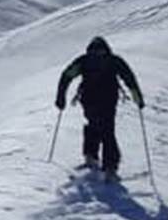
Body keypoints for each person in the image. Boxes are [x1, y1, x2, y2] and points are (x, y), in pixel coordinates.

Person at [55, 36, 144, 181]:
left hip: (88, 99)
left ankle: (91, 156)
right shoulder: (114, 61)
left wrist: (61, 97)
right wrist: (137, 98)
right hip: (108, 100)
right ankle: (110, 167)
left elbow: (66, 76)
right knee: (107, 130)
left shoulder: (84, 61)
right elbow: (129, 78)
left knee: (93, 125)